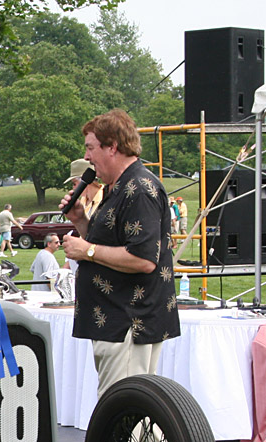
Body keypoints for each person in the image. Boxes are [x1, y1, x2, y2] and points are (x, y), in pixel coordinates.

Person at [60, 109, 180, 396]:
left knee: (123, 412)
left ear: (112, 146)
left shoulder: (139, 189)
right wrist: (81, 221)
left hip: (128, 321)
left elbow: (143, 259)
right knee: (119, 409)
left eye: (90, 148)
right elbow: (113, 245)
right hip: (114, 319)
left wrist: (86, 250)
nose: (87, 157)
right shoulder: (119, 187)